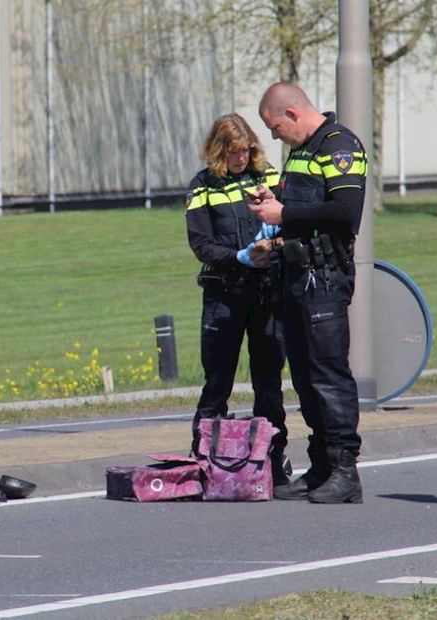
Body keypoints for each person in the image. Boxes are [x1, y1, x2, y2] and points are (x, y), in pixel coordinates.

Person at [247, 82, 366, 504]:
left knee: (328, 374)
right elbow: (301, 200)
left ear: (293, 114)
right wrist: (273, 199)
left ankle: (344, 470)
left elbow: (345, 211)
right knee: (303, 375)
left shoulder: (338, 146)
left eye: (274, 126)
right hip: (296, 274)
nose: (274, 136)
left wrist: (286, 212)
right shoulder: (302, 151)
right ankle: (320, 466)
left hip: (325, 277)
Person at [185, 113, 290, 492]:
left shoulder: (269, 176)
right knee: (217, 382)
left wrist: (272, 240)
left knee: (269, 384)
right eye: (233, 153)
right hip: (224, 293)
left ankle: (272, 465)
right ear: (219, 151)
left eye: (246, 151)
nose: (241, 159)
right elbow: (201, 244)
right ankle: (203, 466)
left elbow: (290, 220)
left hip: (266, 293)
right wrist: (239, 256)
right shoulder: (202, 186)